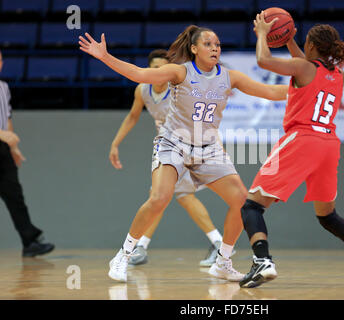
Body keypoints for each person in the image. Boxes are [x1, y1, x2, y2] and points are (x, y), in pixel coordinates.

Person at [79, 25, 288, 282]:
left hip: (208, 147)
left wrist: (306, 86)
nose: (215, 48)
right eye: (208, 44)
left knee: (241, 201)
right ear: (193, 48)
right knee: (160, 198)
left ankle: (223, 261)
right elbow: (138, 73)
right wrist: (105, 56)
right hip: (173, 143)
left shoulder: (230, 76)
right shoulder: (180, 72)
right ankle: (123, 254)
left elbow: (270, 92)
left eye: (218, 45)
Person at [238, 13, 344, 288]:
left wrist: (263, 33)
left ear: (311, 47)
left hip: (301, 140)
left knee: (252, 206)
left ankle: (263, 261)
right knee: (328, 216)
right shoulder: (337, 73)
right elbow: (306, 62)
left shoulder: (302, 68)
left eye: (305, 43)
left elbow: (262, 60)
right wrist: (290, 39)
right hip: (328, 145)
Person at [109, 48, 231, 267]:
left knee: (175, 197)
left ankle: (216, 243)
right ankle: (144, 246)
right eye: (155, 67)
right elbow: (132, 116)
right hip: (167, 149)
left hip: (186, 146)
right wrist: (116, 142)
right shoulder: (142, 90)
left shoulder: (179, 87)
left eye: (162, 67)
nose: (159, 71)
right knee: (163, 198)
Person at [0, 50, 55, 257]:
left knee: (15, 196)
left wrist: (13, 147)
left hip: (3, 151)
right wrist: (3, 135)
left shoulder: (4, 88)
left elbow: (7, 119)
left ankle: (29, 242)